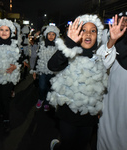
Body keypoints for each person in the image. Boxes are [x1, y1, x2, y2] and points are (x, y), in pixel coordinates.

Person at [47, 14, 108, 150]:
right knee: (68, 145)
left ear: (97, 36)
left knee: (82, 145)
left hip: (89, 116)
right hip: (68, 114)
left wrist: (98, 107)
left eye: (93, 31)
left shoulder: (99, 59)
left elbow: (100, 87)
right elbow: (52, 65)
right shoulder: (69, 55)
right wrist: (69, 43)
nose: (88, 34)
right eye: (83, 30)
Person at [96, 1, 127, 149]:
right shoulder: (118, 37)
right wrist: (112, 40)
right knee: (110, 133)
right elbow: (101, 63)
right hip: (114, 98)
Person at [0, 18, 21, 131]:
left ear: (11, 31)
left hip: (8, 76)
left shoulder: (14, 45)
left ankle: (6, 119)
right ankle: (2, 113)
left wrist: (16, 66)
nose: (3, 32)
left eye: (6, 30)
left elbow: (19, 60)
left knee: (5, 99)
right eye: (1, 29)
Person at [30, 25, 60, 112]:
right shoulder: (42, 45)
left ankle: (46, 102)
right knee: (42, 87)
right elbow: (38, 58)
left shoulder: (57, 47)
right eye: (49, 34)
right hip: (42, 70)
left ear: (55, 35)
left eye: (53, 34)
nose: (51, 36)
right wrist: (35, 70)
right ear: (46, 35)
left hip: (53, 72)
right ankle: (41, 98)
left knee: (49, 88)